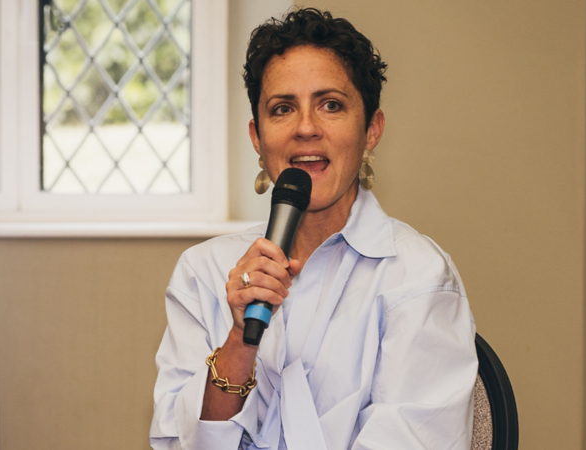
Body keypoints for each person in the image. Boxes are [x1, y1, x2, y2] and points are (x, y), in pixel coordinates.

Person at [150, 8, 477, 450]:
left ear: (371, 130)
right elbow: (178, 444)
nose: (306, 128)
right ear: (257, 137)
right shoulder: (202, 272)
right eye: (282, 109)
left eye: (331, 105)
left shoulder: (418, 275)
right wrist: (238, 344)